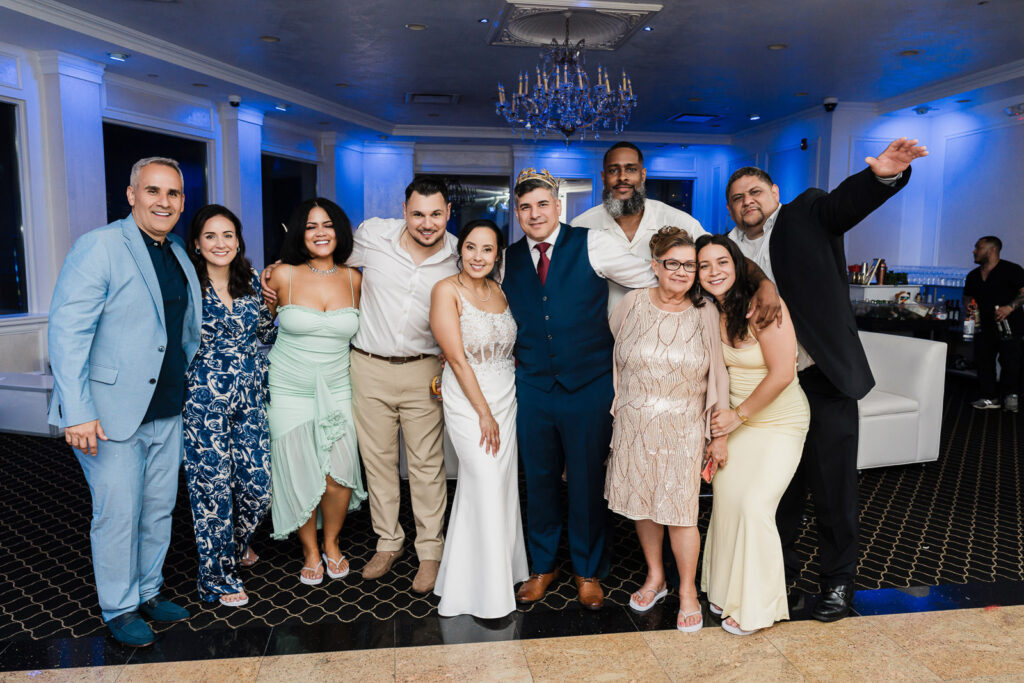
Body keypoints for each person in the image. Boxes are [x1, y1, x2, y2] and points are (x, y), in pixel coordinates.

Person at [725, 137, 928, 621]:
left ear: (774, 192)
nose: (747, 202)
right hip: (768, 387)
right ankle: (783, 578)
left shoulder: (806, 213)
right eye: (737, 197)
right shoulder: (727, 250)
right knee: (780, 489)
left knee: (834, 488)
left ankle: (838, 583)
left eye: (755, 191)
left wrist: (884, 176)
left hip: (822, 377)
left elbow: (845, 205)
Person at [48, 157, 201, 647]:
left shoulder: (176, 250)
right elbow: (68, 332)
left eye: (173, 194)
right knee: (118, 512)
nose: (164, 201)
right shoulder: (100, 246)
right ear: (131, 194)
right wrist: (77, 411)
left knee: (158, 508)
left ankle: (150, 591)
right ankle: (120, 606)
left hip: (166, 407)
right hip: (108, 413)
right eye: (152, 191)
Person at [503, 168, 661, 610]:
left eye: (542, 204)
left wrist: (630, 334)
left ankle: (588, 570)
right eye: (525, 207)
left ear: (558, 206)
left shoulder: (592, 243)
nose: (534, 213)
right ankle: (543, 566)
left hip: (589, 384)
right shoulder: (507, 258)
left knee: (588, 481)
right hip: (532, 386)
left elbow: (648, 280)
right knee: (538, 479)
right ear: (517, 212)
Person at [605, 227, 729, 632]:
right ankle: (656, 577)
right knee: (644, 504)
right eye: (671, 263)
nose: (680, 272)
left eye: (689, 265)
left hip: (683, 427)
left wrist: (718, 431)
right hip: (635, 423)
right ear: (655, 265)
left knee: (680, 513)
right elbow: (615, 352)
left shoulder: (705, 311)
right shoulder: (631, 303)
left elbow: (720, 374)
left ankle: (688, 590)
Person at [696, 234, 810, 636]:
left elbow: (783, 374)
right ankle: (727, 589)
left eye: (722, 263)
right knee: (727, 502)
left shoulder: (765, 307)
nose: (714, 272)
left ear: (738, 264)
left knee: (755, 506)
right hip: (737, 424)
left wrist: (736, 418)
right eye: (704, 265)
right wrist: (722, 432)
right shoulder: (711, 309)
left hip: (779, 421)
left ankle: (758, 606)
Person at [264, 197, 367, 585]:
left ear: (339, 231)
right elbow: (260, 326)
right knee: (299, 469)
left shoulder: (355, 279)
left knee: (338, 473)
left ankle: (333, 542)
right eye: (311, 226)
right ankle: (309, 550)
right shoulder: (282, 276)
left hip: (337, 387)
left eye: (327, 225)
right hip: (288, 388)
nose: (320, 233)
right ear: (299, 233)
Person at [429, 219, 529, 618]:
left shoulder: (500, 291)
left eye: (487, 249)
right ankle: (486, 595)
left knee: (496, 485)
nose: (478, 256)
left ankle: (485, 575)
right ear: (461, 249)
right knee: (485, 480)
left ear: (497, 254)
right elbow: (455, 357)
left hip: (507, 393)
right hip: (470, 399)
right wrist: (484, 414)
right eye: (471, 247)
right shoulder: (446, 290)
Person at [182, 204, 276, 607]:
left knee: (259, 487)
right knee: (212, 490)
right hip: (204, 401)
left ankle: (237, 546)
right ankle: (216, 578)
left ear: (238, 241)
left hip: (251, 396)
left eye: (228, 235)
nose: (220, 243)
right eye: (210, 236)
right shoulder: (186, 283)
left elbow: (266, 331)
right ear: (197, 244)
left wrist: (272, 304)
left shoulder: (251, 279)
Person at [571, 142, 708, 313]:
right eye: (613, 170)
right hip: (602, 334)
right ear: (603, 177)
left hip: (667, 333)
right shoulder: (581, 226)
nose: (622, 177)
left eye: (631, 169)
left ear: (643, 175)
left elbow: (715, 262)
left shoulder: (679, 221)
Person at [963, 236, 1024, 412]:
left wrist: (1009, 307)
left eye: (978, 248)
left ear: (992, 250)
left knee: (1010, 361)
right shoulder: (973, 275)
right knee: (984, 361)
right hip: (984, 325)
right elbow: (967, 296)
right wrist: (968, 305)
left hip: (1010, 325)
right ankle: (989, 397)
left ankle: (1011, 396)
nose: (974, 251)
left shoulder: (1012, 270)